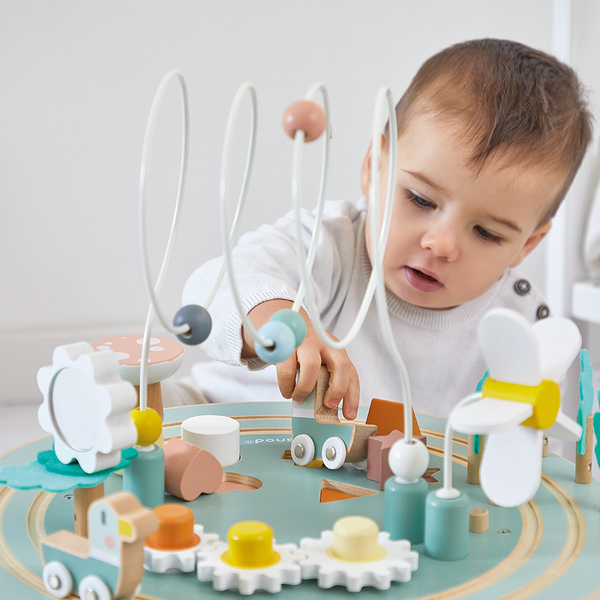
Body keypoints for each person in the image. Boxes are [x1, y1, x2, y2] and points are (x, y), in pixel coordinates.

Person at [179, 38, 593, 419]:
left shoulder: (524, 330)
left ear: (527, 244)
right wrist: (279, 320)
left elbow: (539, 457)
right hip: (219, 425)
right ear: (375, 167)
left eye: (487, 233)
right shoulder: (329, 245)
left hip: (370, 489)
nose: (442, 244)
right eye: (421, 200)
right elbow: (216, 286)